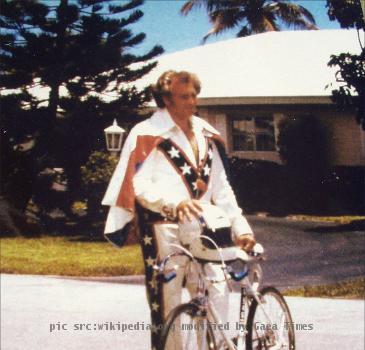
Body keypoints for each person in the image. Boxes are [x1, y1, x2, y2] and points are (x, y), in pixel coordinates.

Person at [102, 70, 255, 349]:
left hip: (206, 228)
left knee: (217, 292)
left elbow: (221, 189)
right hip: (164, 230)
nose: (192, 101)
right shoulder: (146, 133)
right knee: (167, 303)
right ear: (166, 99)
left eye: (194, 95)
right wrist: (173, 203)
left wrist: (242, 228)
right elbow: (138, 185)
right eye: (184, 96)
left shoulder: (207, 133)